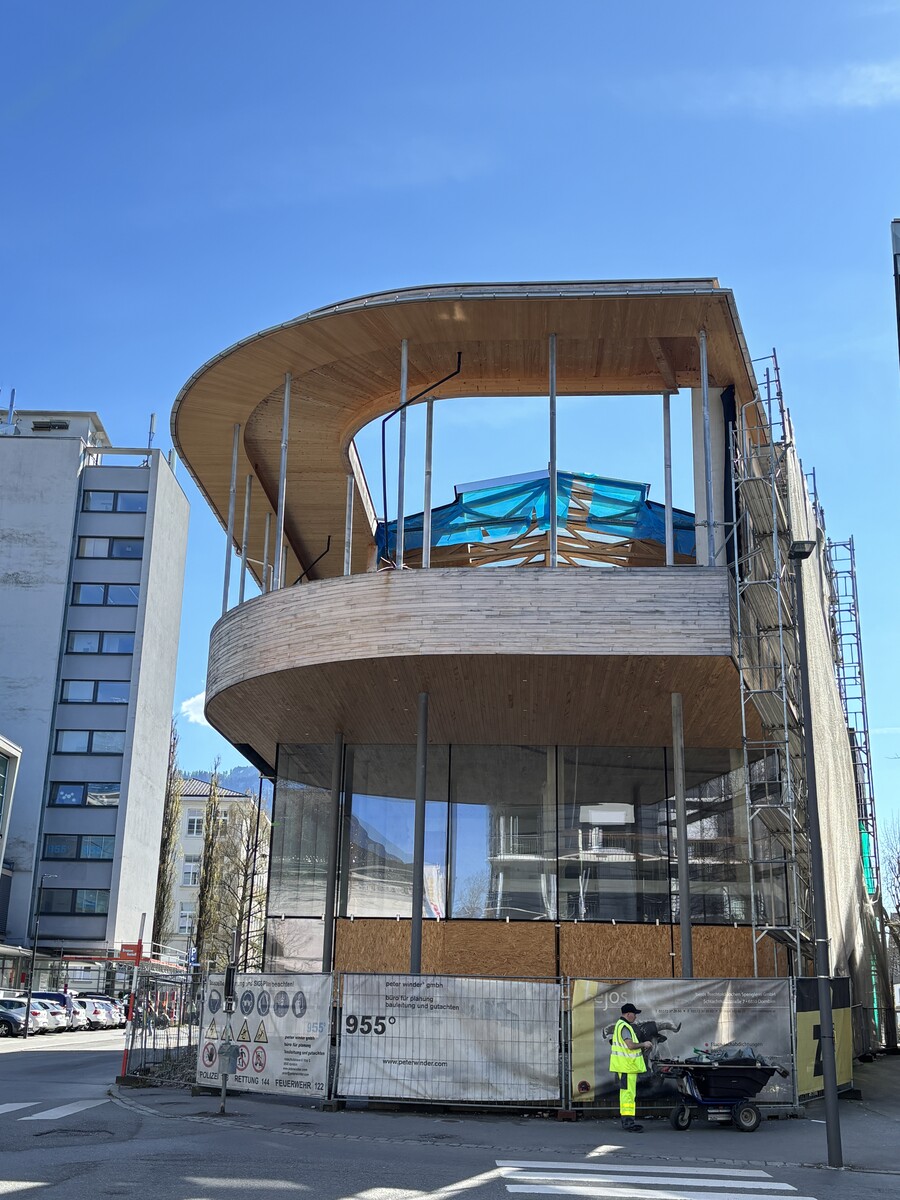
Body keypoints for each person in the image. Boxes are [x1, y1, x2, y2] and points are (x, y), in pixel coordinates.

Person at [610, 1002, 652, 1132]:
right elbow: (630, 1046)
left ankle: (628, 1122)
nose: (636, 1016)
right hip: (627, 1067)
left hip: (626, 1067)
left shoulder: (621, 1025)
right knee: (628, 1095)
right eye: (634, 1014)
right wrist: (644, 1044)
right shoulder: (625, 1027)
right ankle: (628, 1123)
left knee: (627, 1094)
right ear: (628, 1014)